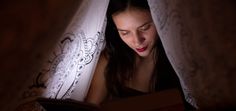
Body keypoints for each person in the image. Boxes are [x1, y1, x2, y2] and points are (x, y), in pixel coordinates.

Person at [85, 0, 193, 109]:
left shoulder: (181, 56)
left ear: (159, 18)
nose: (137, 41)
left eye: (145, 28)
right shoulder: (110, 60)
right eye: (125, 33)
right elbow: (90, 107)